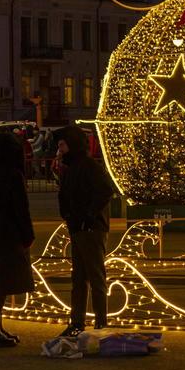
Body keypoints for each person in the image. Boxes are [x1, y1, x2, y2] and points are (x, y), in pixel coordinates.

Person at [57, 126, 114, 337]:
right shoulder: (72, 167)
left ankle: (100, 322)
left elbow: (105, 191)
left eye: (62, 144)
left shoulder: (88, 166)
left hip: (90, 228)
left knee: (95, 275)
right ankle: (78, 321)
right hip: (79, 227)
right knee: (79, 277)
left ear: (72, 145)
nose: (59, 149)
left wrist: (88, 216)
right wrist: (69, 216)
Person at [0, 132, 35, 347]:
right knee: (0, 284)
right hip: (6, 235)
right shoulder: (13, 175)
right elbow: (21, 209)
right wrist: (27, 235)